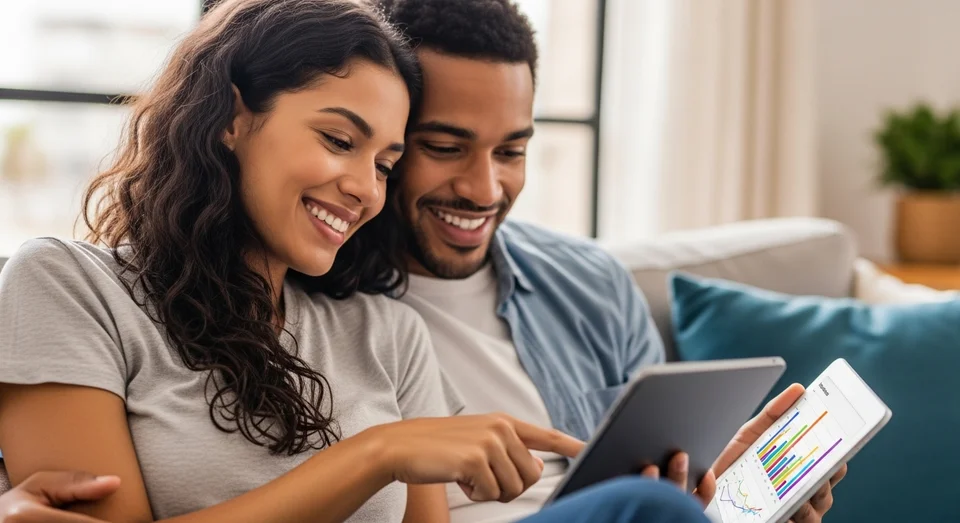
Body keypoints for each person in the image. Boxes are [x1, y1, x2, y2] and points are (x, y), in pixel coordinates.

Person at [0, 0, 710, 522]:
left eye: (385, 162)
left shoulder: (384, 332)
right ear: (232, 117)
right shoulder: (69, 286)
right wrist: (377, 453)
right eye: (340, 140)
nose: (365, 189)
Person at [372, 0, 847, 521]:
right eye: (444, 147)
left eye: (511, 153)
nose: (484, 189)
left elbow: (667, 491)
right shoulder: (321, 307)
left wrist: (724, 490)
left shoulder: (589, 283)